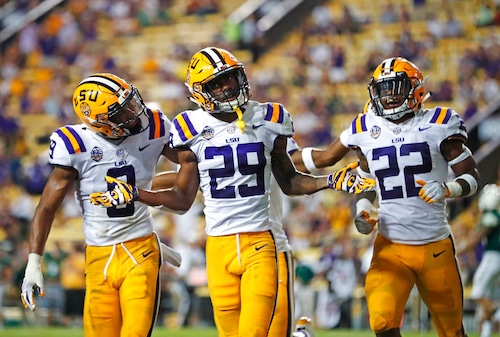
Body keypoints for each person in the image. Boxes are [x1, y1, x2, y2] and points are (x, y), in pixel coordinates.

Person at [89, 47, 373, 337]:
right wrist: (136, 195)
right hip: (218, 248)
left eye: (230, 78)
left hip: (262, 242)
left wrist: (331, 180)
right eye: (216, 83)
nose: (226, 87)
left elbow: (289, 178)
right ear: (200, 92)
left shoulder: (270, 117)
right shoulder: (189, 126)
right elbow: (181, 193)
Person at [19, 73, 182, 337]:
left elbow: (191, 166)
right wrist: (33, 263)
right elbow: (46, 208)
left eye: (130, 102)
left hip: (140, 247)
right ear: (98, 121)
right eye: (122, 111)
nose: (134, 112)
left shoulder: (153, 126)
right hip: (98, 254)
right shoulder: (74, 145)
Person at [338, 57, 480, 337]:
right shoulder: (368, 129)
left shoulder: (439, 123)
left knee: (452, 331)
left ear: (415, 89)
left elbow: (473, 176)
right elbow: (367, 180)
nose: (388, 96)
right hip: (391, 245)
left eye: (395, 87)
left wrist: (448, 189)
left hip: (434, 246)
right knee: (381, 321)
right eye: (383, 89)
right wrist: (364, 206)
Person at [457, 183, 500, 337]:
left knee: (477, 293)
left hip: (493, 257)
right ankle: (486, 334)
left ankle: (497, 314)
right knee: (488, 296)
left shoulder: (491, 216)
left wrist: (458, 251)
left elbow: (475, 240)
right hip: (495, 258)